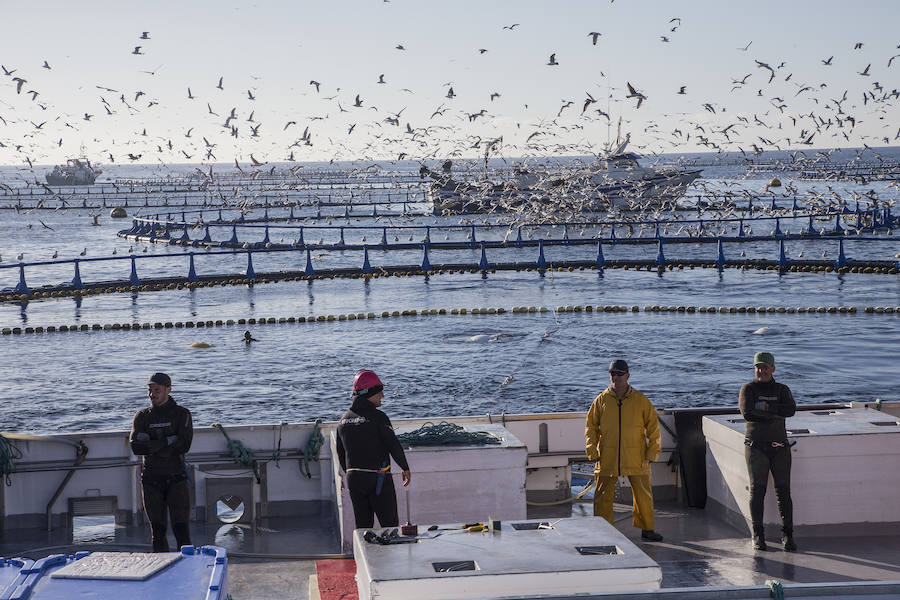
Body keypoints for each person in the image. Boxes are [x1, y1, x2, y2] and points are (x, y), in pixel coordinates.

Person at [585, 359, 663, 542]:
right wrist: (592, 450)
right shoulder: (601, 400)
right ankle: (604, 531)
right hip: (607, 456)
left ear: (628, 375)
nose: (616, 377)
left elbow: (653, 428)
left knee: (643, 494)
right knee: (603, 495)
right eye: (613, 373)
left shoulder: (641, 400)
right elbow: (591, 427)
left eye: (620, 373)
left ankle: (648, 529)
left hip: (637, 456)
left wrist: (652, 453)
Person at [336, 370, 411, 529]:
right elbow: (392, 443)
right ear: (369, 393)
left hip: (354, 479)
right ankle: (388, 553)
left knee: (363, 527)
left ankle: (363, 554)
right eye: (379, 392)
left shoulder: (343, 421)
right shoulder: (378, 417)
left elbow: (341, 453)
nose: (382, 396)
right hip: (378, 478)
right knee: (389, 526)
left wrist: (352, 474)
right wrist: (404, 467)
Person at [739, 351, 797, 552]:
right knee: (758, 491)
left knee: (783, 492)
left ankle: (787, 535)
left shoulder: (782, 389)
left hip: (780, 447)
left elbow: (790, 410)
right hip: (756, 448)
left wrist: (763, 408)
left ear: (773, 368)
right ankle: (758, 535)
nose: (761, 370)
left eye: (765, 367)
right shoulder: (748, 389)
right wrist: (774, 412)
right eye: (758, 367)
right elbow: (748, 413)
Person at [130, 372, 194, 552]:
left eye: (156, 390)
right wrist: (167, 441)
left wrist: (151, 443)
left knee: (182, 531)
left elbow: (184, 445)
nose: (152, 394)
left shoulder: (182, 414)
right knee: (157, 533)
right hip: (151, 480)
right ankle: (162, 572)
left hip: (176, 479)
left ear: (168, 389)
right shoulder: (142, 416)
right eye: (149, 390)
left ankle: (188, 572)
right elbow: (136, 447)